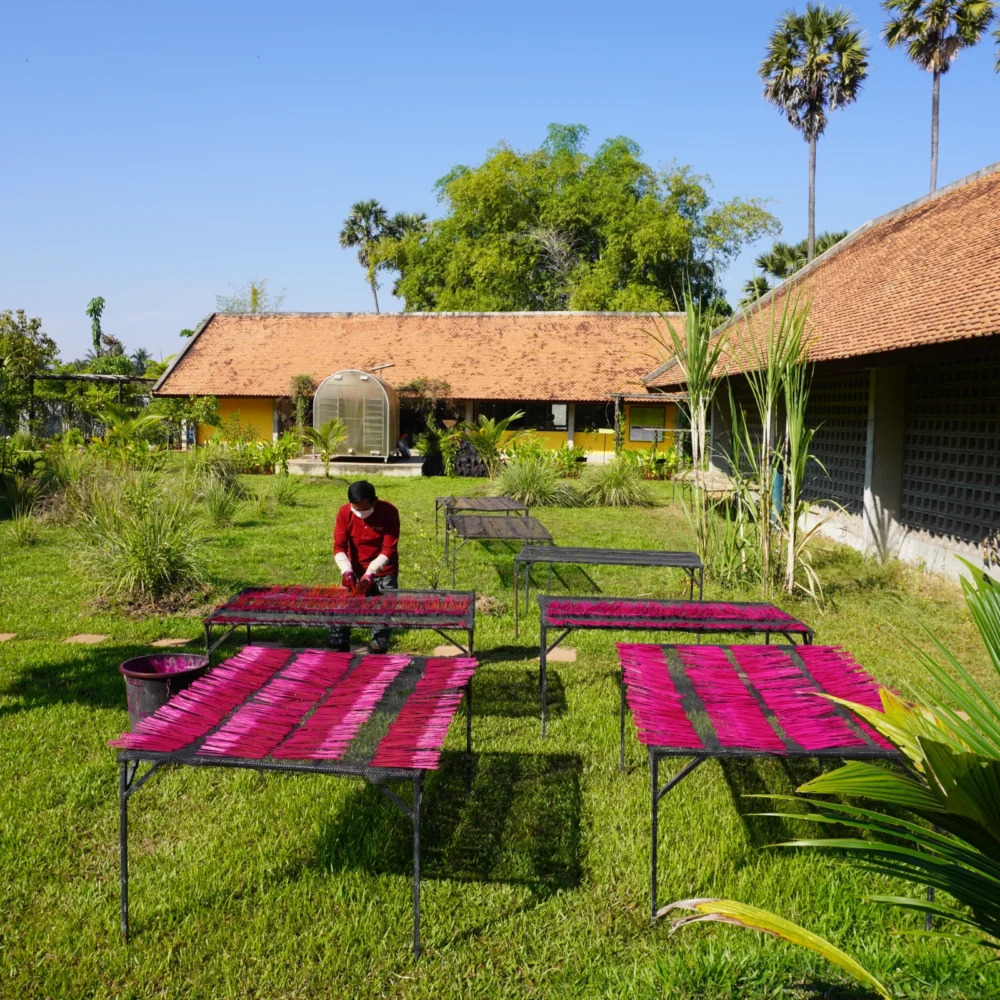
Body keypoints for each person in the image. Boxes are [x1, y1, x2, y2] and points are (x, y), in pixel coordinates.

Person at [331, 480, 400, 653]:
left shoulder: (389, 512)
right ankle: (339, 654)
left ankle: (376, 655)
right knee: (340, 616)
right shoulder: (344, 513)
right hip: (354, 571)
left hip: (384, 571)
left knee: (382, 619)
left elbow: (389, 548)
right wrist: (346, 570)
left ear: (374, 501)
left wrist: (371, 572)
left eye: (364, 509)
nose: (360, 513)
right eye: (356, 509)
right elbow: (339, 546)